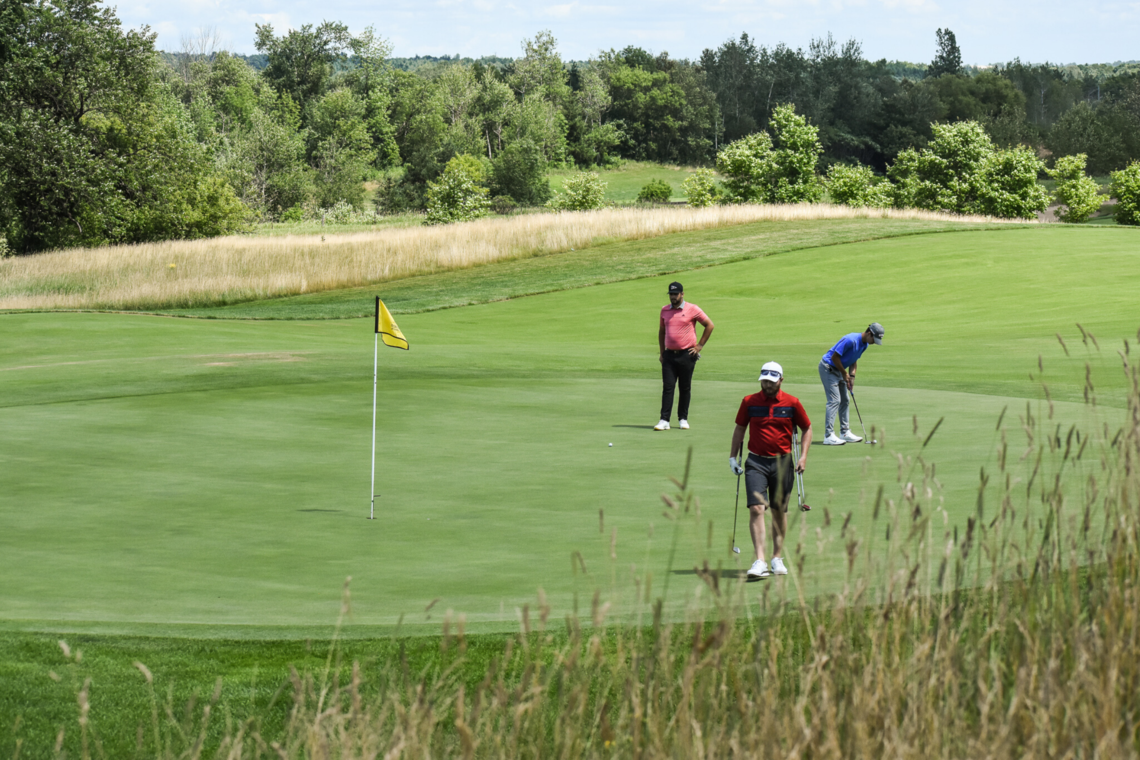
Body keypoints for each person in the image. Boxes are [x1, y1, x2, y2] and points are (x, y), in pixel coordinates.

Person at [729, 362, 812, 579]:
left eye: (771, 381)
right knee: (757, 508)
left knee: (778, 511)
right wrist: (732, 456)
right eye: (764, 380)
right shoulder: (749, 402)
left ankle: (776, 558)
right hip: (756, 462)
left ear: (780, 380)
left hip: (783, 464)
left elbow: (807, 428)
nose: (767, 385)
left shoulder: (792, 403)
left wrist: (803, 456)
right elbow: (740, 428)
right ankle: (760, 560)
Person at [654, 281, 714, 431]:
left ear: (682, 294)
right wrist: (662, 352)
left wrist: (699, 346)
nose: (673, 297)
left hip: (687, 355)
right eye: (671, 294)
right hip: (669, 355)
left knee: (684, 387)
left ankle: (683, 418)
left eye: (675, 294)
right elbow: (662, 332)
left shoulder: (692, 309)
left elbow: (709, 325)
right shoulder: (664, 310)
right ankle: (664, 420)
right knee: (668, 387)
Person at [818, 323, 884, 445]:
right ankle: (828, 435)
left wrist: (852, 376)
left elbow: (854, 360)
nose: (874, 342)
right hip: (828, 368)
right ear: (869, 333)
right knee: (834, 400)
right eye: (874, 339)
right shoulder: (850, 340)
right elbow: (834, 357)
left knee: (845, 400)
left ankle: (845, 432)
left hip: (839, 369)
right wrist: (844, 373)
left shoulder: (865, 345)